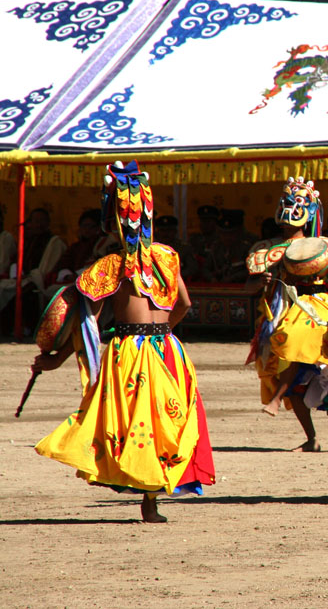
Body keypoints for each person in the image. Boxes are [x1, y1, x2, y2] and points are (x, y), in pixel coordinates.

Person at [33, 161, 214, 523]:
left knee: (135, 422)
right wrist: (167, 332)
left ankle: (145, 494)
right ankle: (152, 495)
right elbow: (185, 304)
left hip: (128, 351)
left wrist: (55, 359)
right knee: (165, 420)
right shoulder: (167, 257)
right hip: (168, 349)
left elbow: (87, 326)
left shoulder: (107, 266)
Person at [245, 176, 328, 451]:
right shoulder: (266, 249)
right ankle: (311, 440)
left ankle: (276, 399)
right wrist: (260, 283)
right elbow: (248, 287)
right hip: (279, 309)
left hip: (315, 307)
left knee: (294, 339)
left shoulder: (319, 245)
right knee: (293, 381)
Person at [0, 207, 67, 335]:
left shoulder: (54, 242)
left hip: (38, 280)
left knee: (24, 293)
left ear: (48, 223)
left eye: (42, 221)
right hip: (23, 278)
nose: (39, 224)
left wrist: (32, 277)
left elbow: (47, 268)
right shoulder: (27, 241)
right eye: (36, 221)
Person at [153, 215, 199, 280]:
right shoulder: (152, 248)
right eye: (162, 230)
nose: (165, 234)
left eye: (169, 231)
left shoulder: (183, 248)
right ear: (157, 232)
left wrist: (175, 276)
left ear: (175, 232)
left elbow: (192, 269)